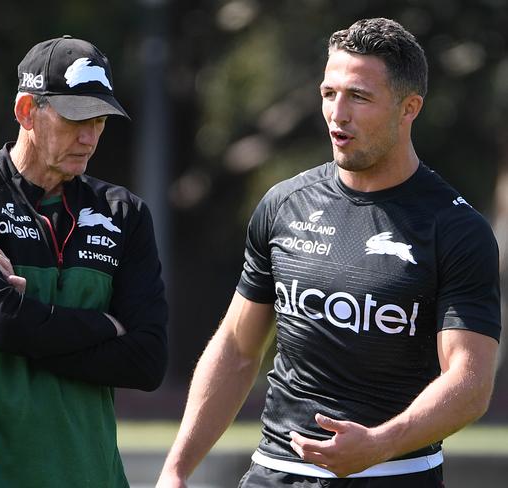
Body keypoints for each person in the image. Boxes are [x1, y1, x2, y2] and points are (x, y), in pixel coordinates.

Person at [156, 17, 500, 488]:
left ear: (409, 107)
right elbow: (238, 349)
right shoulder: (283, 204)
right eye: (328, 93)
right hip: (274, 474)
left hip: (394, 474)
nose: (338, 114)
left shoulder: (457, 229)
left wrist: (379, 443)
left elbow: (470, 384)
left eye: (359, 97)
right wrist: (176, 469)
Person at [0, 35, 168, 487]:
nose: (90, 136)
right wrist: (103, 326)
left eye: (99, 119)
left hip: (92, 476)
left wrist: (27, 324)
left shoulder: (124, 213)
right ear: (26, 112)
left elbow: (147, 361)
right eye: (75, 118)